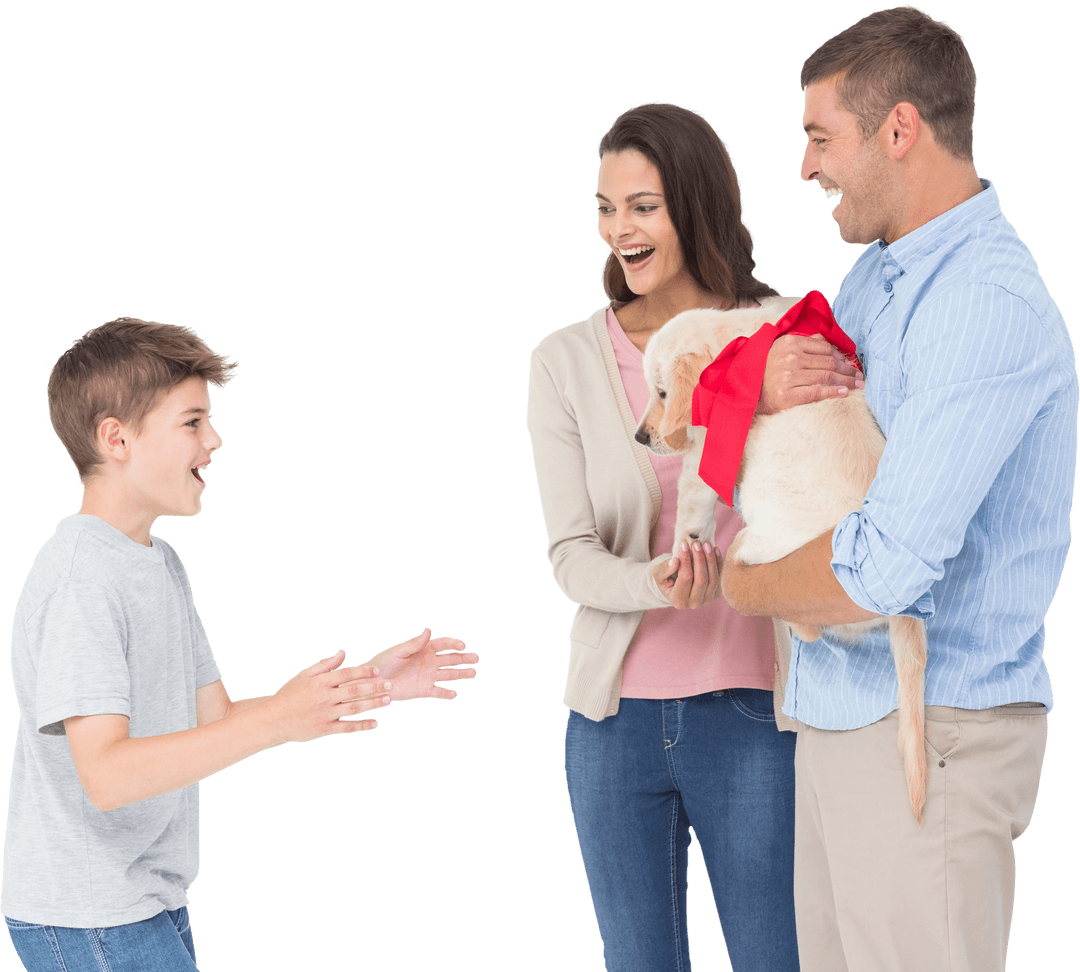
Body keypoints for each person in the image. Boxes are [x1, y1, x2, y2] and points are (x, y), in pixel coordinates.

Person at [721, 8, 1077, 972]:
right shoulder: (878, 279)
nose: (805, 167)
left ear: (901, 129)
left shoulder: (980, 305)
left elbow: (883, 568)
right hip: (841, 719)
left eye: (819, 138)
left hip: (934, 736)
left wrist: (739, 584)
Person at [1, 318, 479, 971]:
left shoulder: (158, 563)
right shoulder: (81, 580)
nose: (215, 439)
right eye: (192, 422)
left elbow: (215, 721)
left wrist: (366, 684)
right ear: (116, 438)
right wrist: (279, 722)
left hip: (146, 898)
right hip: (89, 913)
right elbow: (107, 776)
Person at [526, 102, 858, 972]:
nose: (619, 230)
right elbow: (570, 554)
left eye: (643, 205)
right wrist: (657, 584)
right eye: (605, 206)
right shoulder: (564, 361)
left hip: (756, 709)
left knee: (776, 959)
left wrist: (766, 394)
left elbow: (841, 493)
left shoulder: (784, 334)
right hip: (611, 724)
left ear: (694, 205)